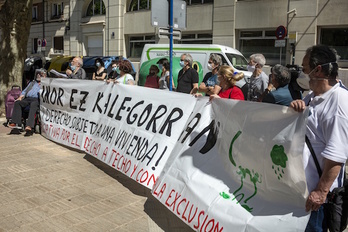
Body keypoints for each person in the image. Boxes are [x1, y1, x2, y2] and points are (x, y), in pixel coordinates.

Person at [289, 45, 348, 232]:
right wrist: (295, 109)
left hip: (315, 200)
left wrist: (320, 192)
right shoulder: (313, 96)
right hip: (300, 190)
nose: (302, 73)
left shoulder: (338, 103)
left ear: (318, 70)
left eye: (305, 68)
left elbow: (336, 155)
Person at [9, 69, 46, 136]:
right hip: (27, 98)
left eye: (40, 74)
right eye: (37, 73)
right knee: (17, 103)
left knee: (33, 105)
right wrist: (20, 97)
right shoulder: (32, 83)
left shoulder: (45, 84)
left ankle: (29, 126)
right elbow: (24, 91)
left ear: (44, 75)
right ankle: (16, 124)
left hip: (37, 99)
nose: (38, 75)